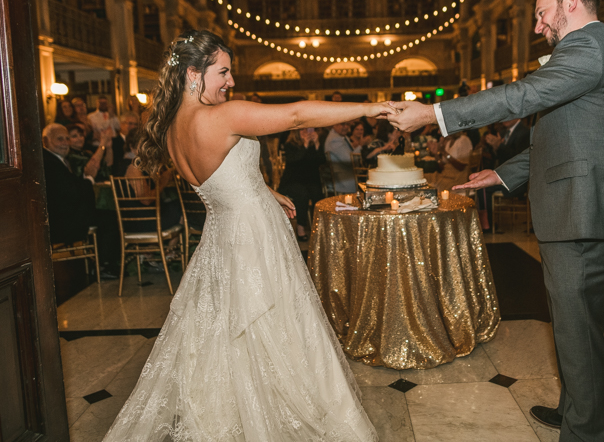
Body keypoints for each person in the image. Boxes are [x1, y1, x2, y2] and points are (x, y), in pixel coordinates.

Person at [103, 30, 392, 441]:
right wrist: (372, 106)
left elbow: (218, 179)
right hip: (255, 238)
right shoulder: (221, 116)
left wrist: (265, 190)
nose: (231, 82)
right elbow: (295, 116)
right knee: (279, 326)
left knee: (230, 334)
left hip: (222, 237)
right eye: (223, 72)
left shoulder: (170, 127)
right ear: (192, 73)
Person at [387, 0, 604, 442]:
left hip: (584, 213)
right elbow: (565, 136)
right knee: (578, 327)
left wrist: (434, 114)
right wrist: (503, 174)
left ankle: (584, 434)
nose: (540, 26)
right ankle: (574, 410)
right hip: (584, 210)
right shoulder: (592, 50)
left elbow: (520, 95)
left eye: (543, 14)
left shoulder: (586, 48)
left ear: (571, 4)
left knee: (576, 331)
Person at [41, 123, 97, 245]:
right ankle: (104, 262)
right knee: (111, 220)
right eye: (60, 139)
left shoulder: (54, 159)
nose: (66, 143)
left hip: (65, 218)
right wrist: (89, 179)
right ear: (45, 141)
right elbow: (71, 193)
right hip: (61, 224)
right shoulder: (49, 163)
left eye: (67, 138)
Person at [276, 128, 325, 241]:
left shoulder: (314, 145)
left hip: (310, 181)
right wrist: (305, 144)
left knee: (317, 193)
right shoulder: (290, 145)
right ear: (296, 132)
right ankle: (300, 228)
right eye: (303, 130)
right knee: (302, 194)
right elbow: (295, 160)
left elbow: (322, 160)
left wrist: (317, 143)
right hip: (292, 182)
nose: (306, 132)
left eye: (309, 130)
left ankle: (319, 227)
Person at [324, 121, 358, 193]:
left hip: (347, 177)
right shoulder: (335, 139)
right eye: (342, 124)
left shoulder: (341, 137)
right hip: (344, 181)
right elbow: (350, 160)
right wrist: (362, 147)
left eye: (347, 124)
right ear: (334, 125)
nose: (346, 127)